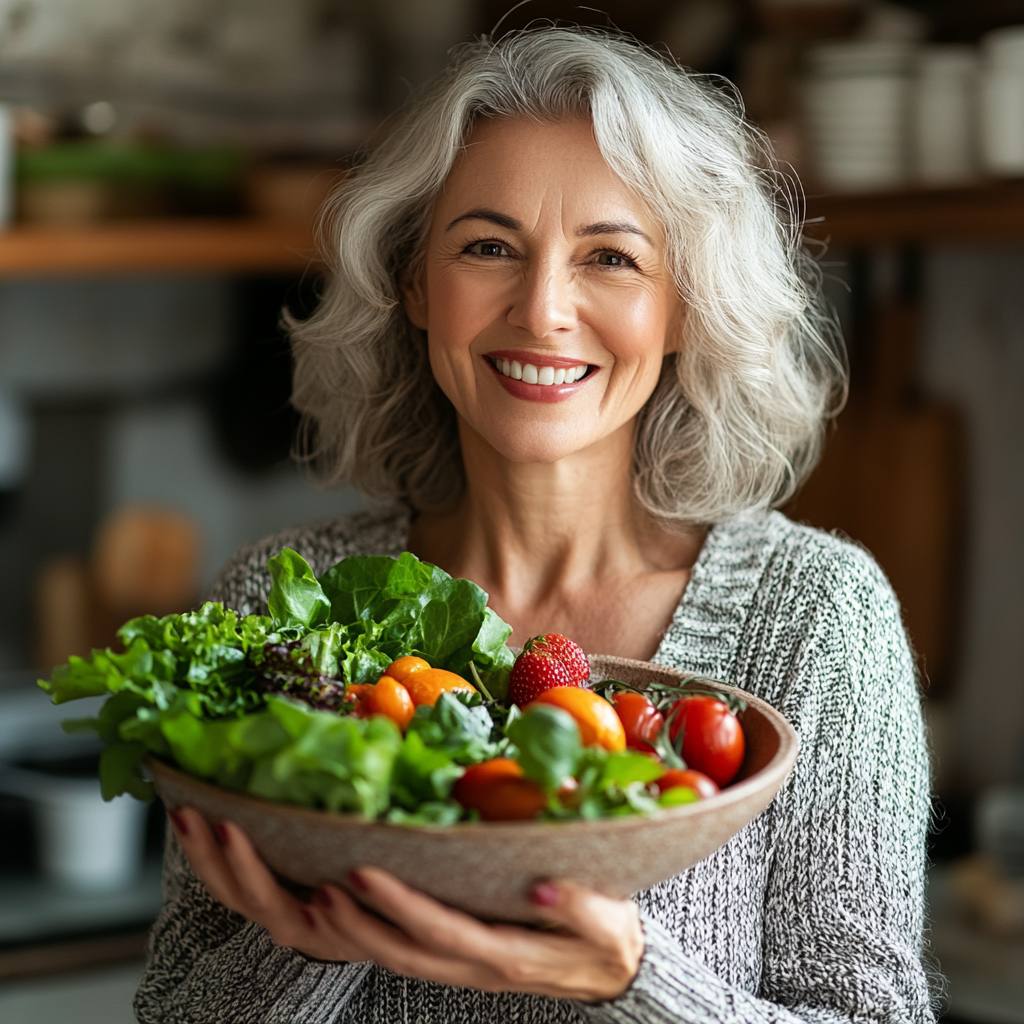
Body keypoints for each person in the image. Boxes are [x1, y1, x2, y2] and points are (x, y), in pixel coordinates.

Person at [135, 27, 936, 1024]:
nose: (544, 308)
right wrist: (311, 940)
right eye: (487, 246)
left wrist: (633, 979)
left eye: (610, 257)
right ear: (415, 284)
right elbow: (172, 1010)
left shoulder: (815, 617)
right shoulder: (275, 600)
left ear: (681, 307)